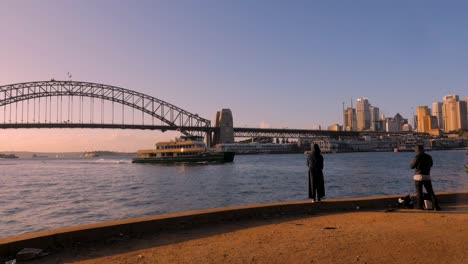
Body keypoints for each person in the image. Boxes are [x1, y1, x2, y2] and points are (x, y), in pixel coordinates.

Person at [410, 145, 441, 210]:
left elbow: (411, 166)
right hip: (427, 176)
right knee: (430, 192)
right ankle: (436, 206)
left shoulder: (417, 157)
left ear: (416, 150)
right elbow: (431, 164)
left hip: (418, 176)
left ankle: (420, 206)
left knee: (419, 192)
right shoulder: (429, 157)